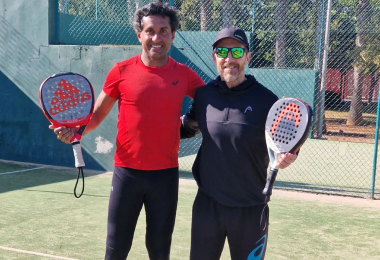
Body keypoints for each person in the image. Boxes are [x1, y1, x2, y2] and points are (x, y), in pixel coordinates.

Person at [50, 2, 205, 259]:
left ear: (173, 35)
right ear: (139, 34)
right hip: (126, 175)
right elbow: (97, 114)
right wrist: (76, 132)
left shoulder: (185, 74)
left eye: (164, 31)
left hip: (165, 177)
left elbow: (212, 101)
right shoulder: (120, 71)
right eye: (150, 31)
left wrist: (192, 123)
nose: (157, 38)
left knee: (159, 249)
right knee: (116, 249)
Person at [180, 27, 298, 260]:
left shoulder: (267, 100)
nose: (229, 58)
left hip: (251, 209)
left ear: (247, 56)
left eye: (237, 51)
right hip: (207, 206)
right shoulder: (204, 96)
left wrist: (289, 156)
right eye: (222, 51)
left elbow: (288, 144)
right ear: (214, 57)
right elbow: (186, 128)